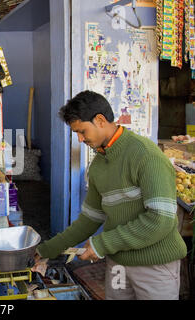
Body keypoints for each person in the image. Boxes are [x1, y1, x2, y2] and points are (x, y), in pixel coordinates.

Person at [34, 90, 187, 300]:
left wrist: (102, 244)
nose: (79, 139)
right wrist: (46, 250)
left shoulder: (145, 155)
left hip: (154, 267)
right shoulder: (98, 166)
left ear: (100, 120)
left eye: (82, 131)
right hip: (118, 266)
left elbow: (160, 220)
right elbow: (89, 219)